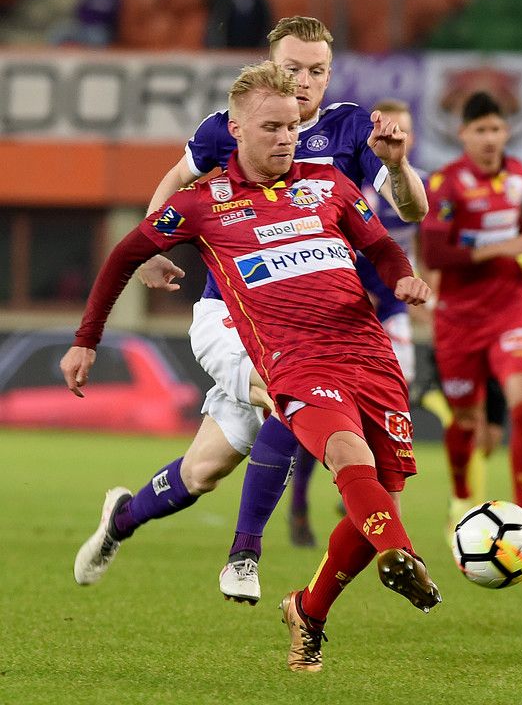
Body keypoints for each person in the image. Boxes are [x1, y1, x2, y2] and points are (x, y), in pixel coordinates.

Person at [61, 60, 441, 672]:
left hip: (368, 355)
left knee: (219, 473)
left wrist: (403, 278)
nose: (286, 138)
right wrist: (86, 341)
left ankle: (304, 609)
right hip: (285, 358)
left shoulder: (328, 184)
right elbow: (124, 253)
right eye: (271, 128)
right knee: (347, 455)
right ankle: (335, 554)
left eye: (291, 126)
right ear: (234, 129)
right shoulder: (202, 203)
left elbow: (381, 244)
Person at [420, 91, 522, 552]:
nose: (489, 138)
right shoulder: (445, 184)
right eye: (480, 130)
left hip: (509, 308)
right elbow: (435, 254)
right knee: (464, 420)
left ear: (507, 131)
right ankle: (462, 500)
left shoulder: (517, 172)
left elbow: (514, 225)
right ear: (463, 134)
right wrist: (503, 248)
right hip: (458, 318)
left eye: (496, 128)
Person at [288, 99, 421, 546]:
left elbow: (415, 242)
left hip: (393, 309)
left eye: (404, 130)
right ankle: (302, 503)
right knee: (326, 409)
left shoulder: (411, 187)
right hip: (347, 307)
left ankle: (368, 497)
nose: (395, 136)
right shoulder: (349, 189)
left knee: (392, 401)